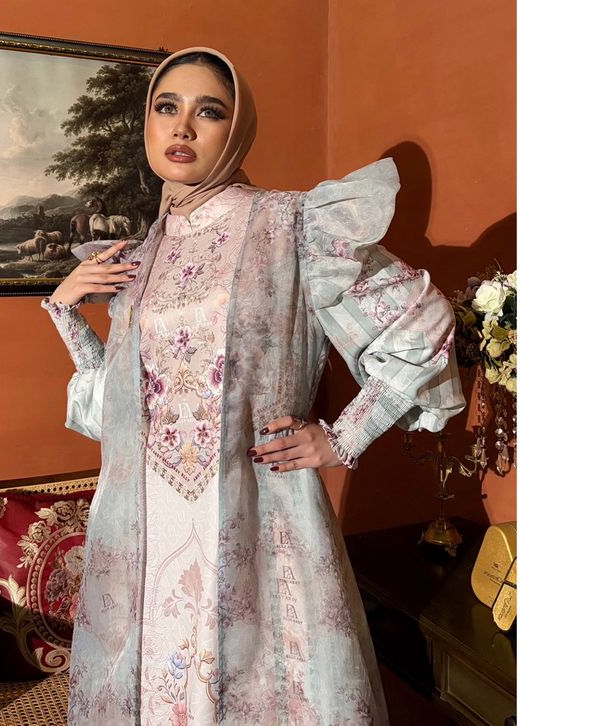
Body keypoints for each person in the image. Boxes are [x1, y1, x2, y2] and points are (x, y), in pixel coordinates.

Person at [42, 46, 465, 726]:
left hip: (259, 519)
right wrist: (66, 312)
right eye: (166, 107)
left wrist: (342, 438)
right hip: (142, 532)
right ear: (147, 123)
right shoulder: (138, 256)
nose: (182, 127)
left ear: (237, 129)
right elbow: (115, 415)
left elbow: (424, 322)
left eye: (209, 111)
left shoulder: (290, 225)